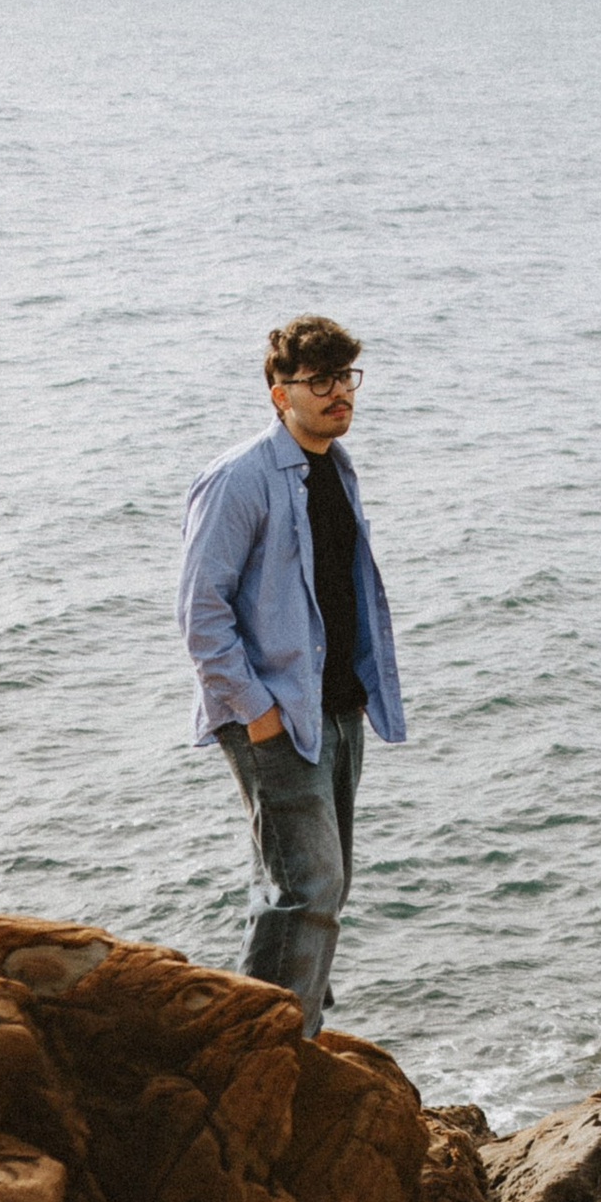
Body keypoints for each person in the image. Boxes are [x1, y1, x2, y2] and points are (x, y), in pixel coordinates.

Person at [176, 314, 406, 1037]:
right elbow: (199, 611)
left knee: (304, 881)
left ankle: (289, 1016)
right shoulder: (239, 478)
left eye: (346, 378)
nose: (340, 394)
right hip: (272, 712)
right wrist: (255, 710)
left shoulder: (334, 467)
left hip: (333, 705)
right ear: (281, 393)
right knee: (310, 882)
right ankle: (273, 1044)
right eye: (321, 382)